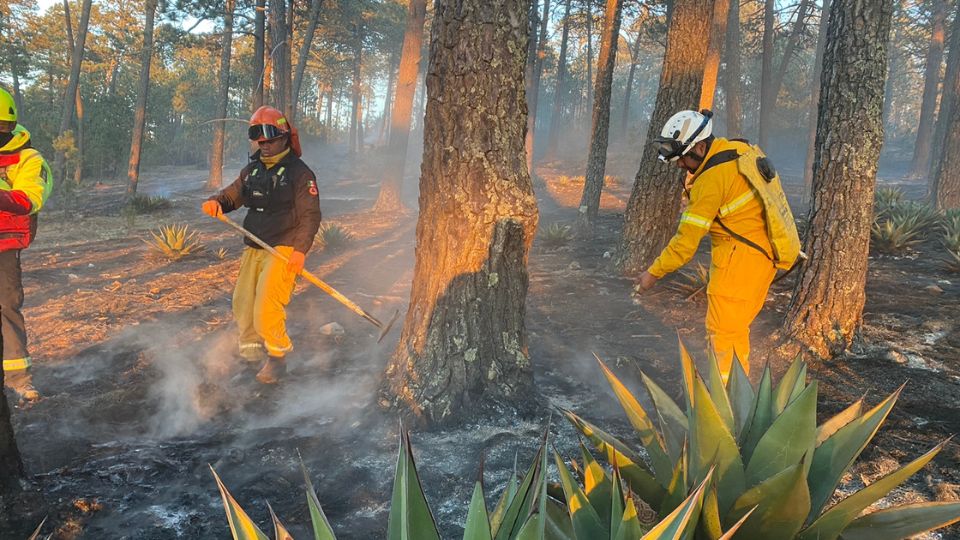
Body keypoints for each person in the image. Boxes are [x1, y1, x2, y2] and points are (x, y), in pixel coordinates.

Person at [635, 109, 797, 382]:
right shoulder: (738, 149)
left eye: (683, 158)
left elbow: (685, 244)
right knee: (735, 332)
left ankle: (727, 404)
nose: (680, 165)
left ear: (700, 146)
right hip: (766, 254)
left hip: (740, 265)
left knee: (723, 335)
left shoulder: (711, 180)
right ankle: (738, 390)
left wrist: (652, 274)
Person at [202, 106, 321, 384]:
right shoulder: (252, 171)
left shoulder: (300, 174)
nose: (264, 146)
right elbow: (232, 195)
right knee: (243, 304)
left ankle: (278, 360)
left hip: (284, 248)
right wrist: (216, 202)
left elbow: (310, 215)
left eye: (270, 140)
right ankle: (251, 359)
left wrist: (300, 251)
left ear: (284, 137)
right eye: (260, 141)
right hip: (254, 246)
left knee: (266, 308)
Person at [0, 87, 53, 402]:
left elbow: (31, 198)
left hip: (4, 246)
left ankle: (19, 381)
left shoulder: (28, 158)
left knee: (5, 308)